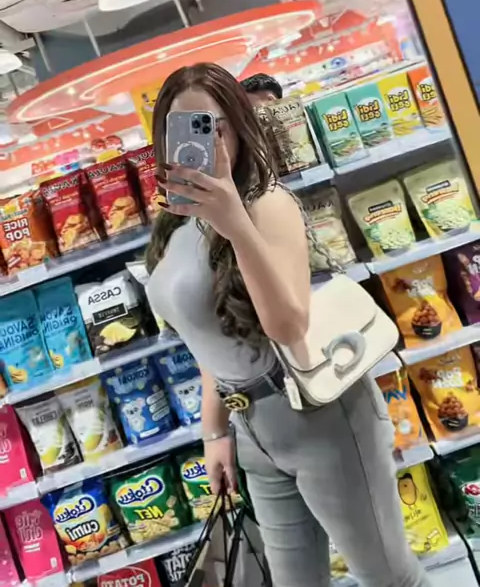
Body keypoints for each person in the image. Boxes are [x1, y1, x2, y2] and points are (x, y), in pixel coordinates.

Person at [146, 62, 429, 587]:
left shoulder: (267, 204)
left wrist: (235, 224)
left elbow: (287, 325)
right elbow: (208, 336)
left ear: (238, 126)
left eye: (214, 127)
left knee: (388, 577)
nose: (201, 144)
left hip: (319, 418)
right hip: (252, 429)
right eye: (182, 129)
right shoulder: (173, 223)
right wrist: (216, 432)